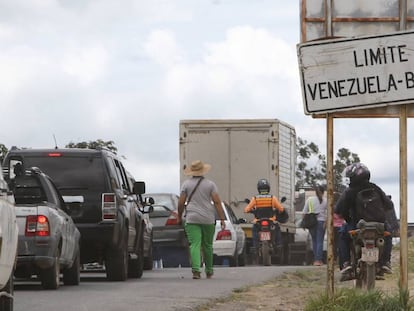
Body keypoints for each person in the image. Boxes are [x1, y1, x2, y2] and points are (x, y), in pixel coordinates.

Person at [335, 162, 397, 281]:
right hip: (379, 225)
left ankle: (346, 263)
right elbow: (389, 204)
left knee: (343, 235)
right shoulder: (375, 187)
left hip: (358, 224)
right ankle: (385, 262)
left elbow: (339, 210)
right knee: (388, 235)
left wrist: (347, 218)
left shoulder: (350, 191)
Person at [177, 160, 226, 280]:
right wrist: (222, 218)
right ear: (203, 171)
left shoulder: (186, 185)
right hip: (208, 218)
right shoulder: (210, 185)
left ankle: (196, 271)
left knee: (195, 244)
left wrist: (179, 215)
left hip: (192, 218)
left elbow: (181, 202)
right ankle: (209, 271)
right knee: (208, 245)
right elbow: (217, 202)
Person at [244, 178, 286, 252]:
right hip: (271, 221)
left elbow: (246, 209)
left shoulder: (255, 198)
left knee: (254, 230)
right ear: (268, 188)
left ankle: (255, 246)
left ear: (258, 189)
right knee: (277, 228)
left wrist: (250, 210)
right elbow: (281, 209)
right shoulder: (272, 198)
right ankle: (279, 245)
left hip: (258, 221)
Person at [302, 184, 327, 266]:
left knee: (314, 241)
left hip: (312, 223)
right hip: (321, 222)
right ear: (323, 192)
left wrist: (304, 223)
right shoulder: (325, 200)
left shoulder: (310, 200)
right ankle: (318, 260)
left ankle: (316, 260)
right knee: (320, 241)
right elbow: (328, 213)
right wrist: (326, 223)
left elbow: (304, 212)